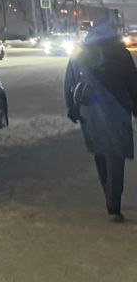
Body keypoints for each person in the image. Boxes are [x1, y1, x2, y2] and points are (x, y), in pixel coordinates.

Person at [64, 19, 137, 222]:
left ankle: (109, 196)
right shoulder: (121, 53)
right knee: (116, 157)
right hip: (118, 111)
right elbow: (133, 82)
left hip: (90, 111)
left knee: (101, 154)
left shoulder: (80, 52)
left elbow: (69, 81)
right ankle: (114, 204)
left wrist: (71, 107)